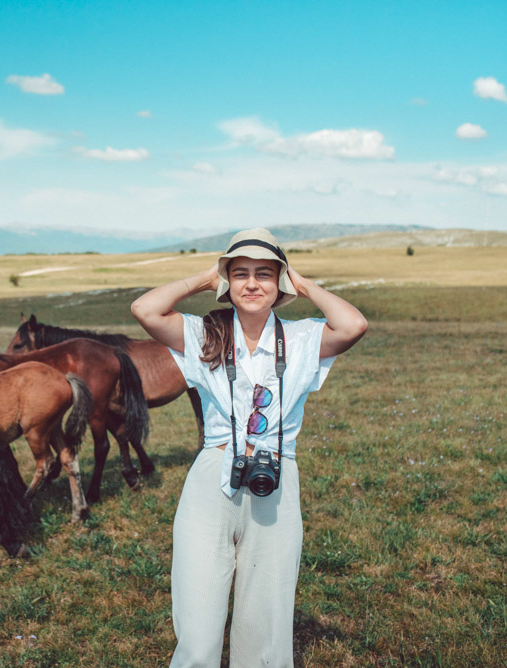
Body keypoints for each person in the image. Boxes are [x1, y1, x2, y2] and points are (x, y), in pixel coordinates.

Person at [130, 228, 367, 667]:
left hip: (275, 479)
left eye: (264, 273)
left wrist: (304, 283)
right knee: (198, 631)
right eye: (240, 274)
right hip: (212, 480)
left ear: (281, 283)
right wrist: (207, 277)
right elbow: (145, 309)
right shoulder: (205, 334)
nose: (252, 283)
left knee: (266, 627)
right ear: (227, 284)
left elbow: (354, 325)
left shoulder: (300, 340)